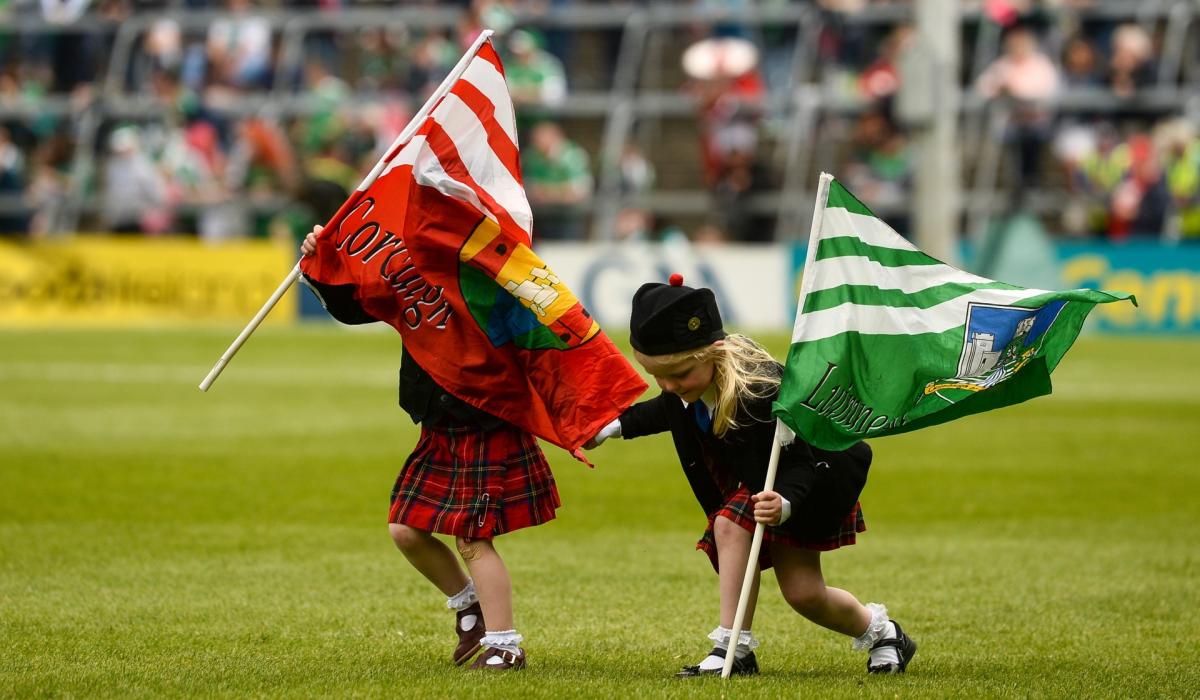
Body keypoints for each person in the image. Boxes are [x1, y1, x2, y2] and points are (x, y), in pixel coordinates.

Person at [587, 274, 917, 677]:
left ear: (713, 353)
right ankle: (871, 635)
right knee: (773, 564)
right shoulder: (684, 385)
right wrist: (613, 426)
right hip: (762, 483)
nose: (670, 386)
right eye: (660, 377)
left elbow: (802, 460)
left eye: (680, 375)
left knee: (773, 565)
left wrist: (786, 502)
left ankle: (750, 648)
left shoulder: (760, 393)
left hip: (814, 482)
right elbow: (663, 410)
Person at [299, 225, 562, 671]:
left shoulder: (491, 276)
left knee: (472, 538)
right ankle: (470, 607)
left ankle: (505, 646)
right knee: (404, 527)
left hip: (485, 419)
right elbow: (361, 303)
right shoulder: (413, 271)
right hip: (439, 423)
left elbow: (542, 344)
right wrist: (322, 263)